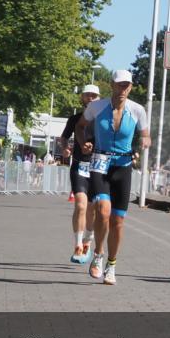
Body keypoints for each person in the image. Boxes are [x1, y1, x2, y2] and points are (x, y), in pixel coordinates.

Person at [75, 69, 151, 285]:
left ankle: (112, 264)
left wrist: (144, 142)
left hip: (123, 166)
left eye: (126, 85)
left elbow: (146, 134)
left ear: (131, 87)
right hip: (100, 162)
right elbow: (80, 127)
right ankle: (97, 255)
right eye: (119, 85)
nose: (122, 89)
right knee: (103, 210)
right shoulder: (96, 107)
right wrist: (83, 143)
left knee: (118, 220)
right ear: (112, 85)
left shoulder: (137, 110)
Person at [58, 84, 101, 263]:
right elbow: (63, 137)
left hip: (98, 168)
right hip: (79, 166)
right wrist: (65, 148)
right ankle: (77, 246)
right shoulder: (75, 119)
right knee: (81, 206)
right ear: (82, 98)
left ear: (99, 98)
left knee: (93, 209)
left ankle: (88, 241)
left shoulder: (104, 121)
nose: (90, 98)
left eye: (94, 95)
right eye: (87, 95)